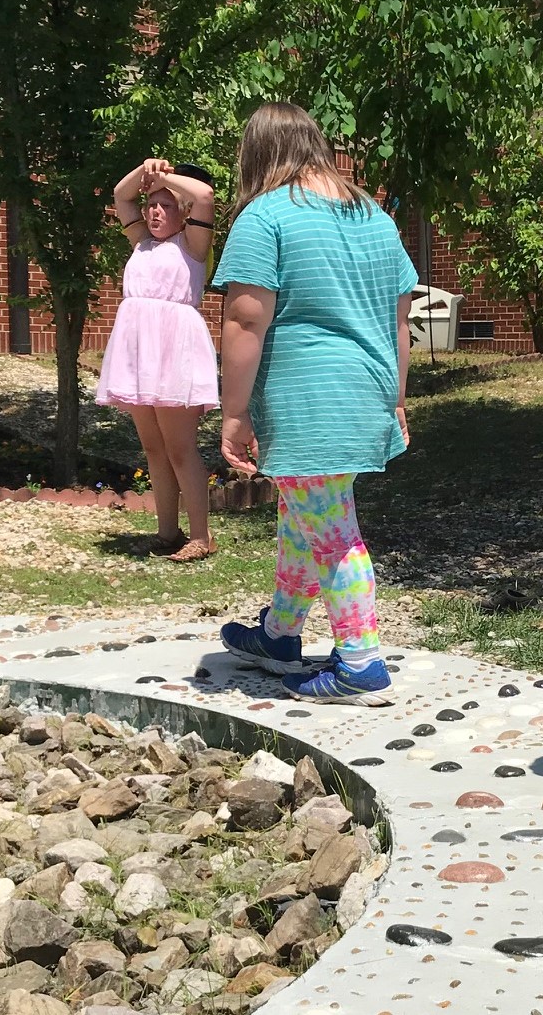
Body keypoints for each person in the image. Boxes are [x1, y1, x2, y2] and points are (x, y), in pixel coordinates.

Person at [214, 102, 417, 706]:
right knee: (305, 514)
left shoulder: (266, 216)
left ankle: (360, 663)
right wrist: (398, 397)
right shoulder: (376, 218)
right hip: (364, 390)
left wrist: (234, 411)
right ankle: (279, 635)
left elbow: (246, 319)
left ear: (258, 154)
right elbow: (400, 317)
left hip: (307, 397)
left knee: (333, 531)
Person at [95, 158, 221, 561]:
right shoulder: (141, 243)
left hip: (173, 350)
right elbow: (120, 195)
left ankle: (201, 536)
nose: (153, 211)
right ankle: (168, 531)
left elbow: (205, 195)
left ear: (183, 210)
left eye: (166, 205)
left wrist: (164, 178)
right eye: (151, 203)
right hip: (139, 351)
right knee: (153, 447)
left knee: (180, 446)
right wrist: (144, 173)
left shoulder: (193, 245)